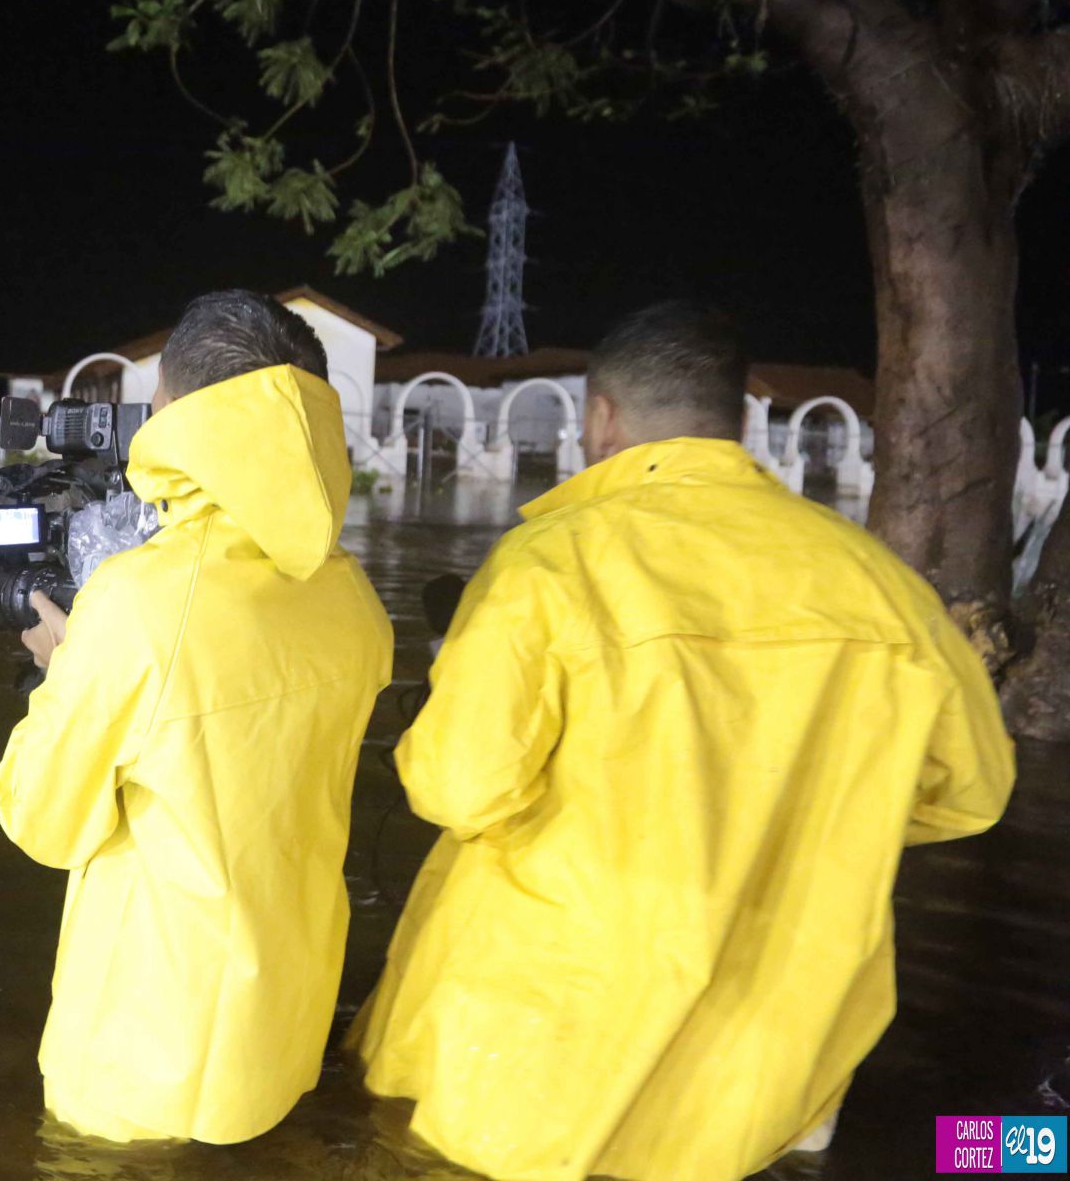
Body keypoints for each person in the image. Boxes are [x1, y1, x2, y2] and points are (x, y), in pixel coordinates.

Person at [346, 301, 1016, 1181]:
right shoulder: (881, 586)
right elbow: (972, 792)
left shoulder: (554, 564)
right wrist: (809, 813)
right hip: (776, 1057)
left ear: (601, 417)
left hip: (542, 1044)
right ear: (739, 420)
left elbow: (460, 788)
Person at [0, 290, 394, 1145]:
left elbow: (41, 821)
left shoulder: (140, 603)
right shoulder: (355, 597)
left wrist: (60, 675)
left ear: (174, 412)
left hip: (138, 1063)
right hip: (280, 1032)